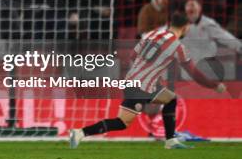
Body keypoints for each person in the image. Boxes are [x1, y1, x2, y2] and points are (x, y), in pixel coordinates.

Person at [70, 12, 226, 150]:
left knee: (169, 99)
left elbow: (132, 56)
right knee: (124, 121)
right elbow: (194, 73)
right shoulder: (178, 46)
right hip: (141, 87)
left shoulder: (152, 35)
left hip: (132, 81)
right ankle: (170, 140)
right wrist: (214, 85)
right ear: (185, 28)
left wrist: (150, 73)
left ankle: (80, 133)